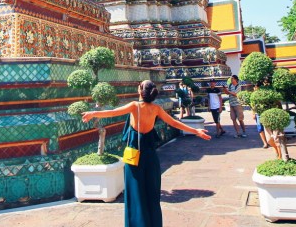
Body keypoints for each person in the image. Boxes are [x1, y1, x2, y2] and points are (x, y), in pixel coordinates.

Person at [83, 80, 211, 227]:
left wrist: (93, 113)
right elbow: (174, 123)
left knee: (136, 193)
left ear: (140, 91)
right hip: (150, 156)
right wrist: (196, 131)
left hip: (134, 156)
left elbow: (112, 112)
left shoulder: (134, 106)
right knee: (151, 193)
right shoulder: (156, 108)